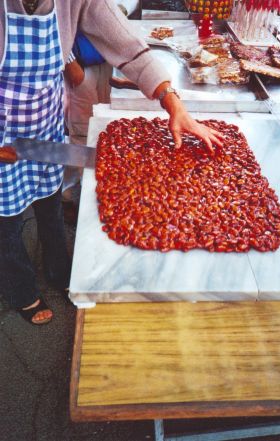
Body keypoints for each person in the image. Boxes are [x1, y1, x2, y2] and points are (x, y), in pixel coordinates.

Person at [0, 0, 223, 326]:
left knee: (50, 203)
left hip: (44, 122)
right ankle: (22, 292)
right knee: (6, 223)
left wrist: (171, 101)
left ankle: (60, 271)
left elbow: (125, 42)